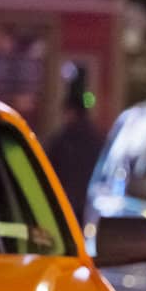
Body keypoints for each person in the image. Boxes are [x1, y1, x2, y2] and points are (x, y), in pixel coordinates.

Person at [45, 89, 105, 220]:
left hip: (66, 205)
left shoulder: (62, 140)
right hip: (89, 206)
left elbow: (47, 171)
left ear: (71, 112)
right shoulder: (97, 139)